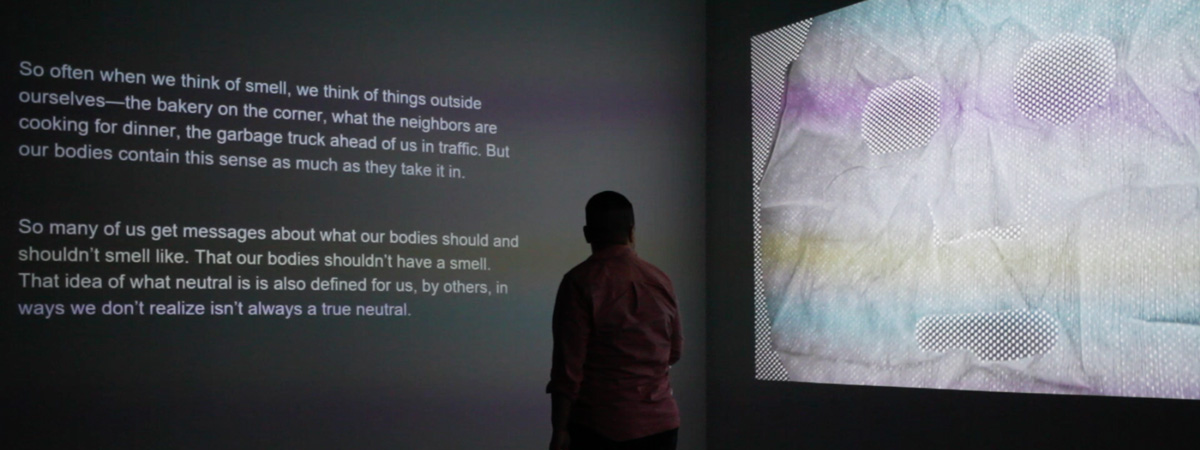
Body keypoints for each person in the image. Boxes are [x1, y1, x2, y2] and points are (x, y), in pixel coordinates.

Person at [547, 191, 683, 450]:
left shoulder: (579, 282)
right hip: (662, 425)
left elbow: (568, 370)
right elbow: (674, 352)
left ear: (587, 234)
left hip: (601, 426)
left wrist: (560, 430)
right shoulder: (661, 280)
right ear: (632, 232)